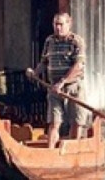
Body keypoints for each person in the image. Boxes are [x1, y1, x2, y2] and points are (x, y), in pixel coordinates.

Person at [27, 12, 89, 148]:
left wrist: (63, 82)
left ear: (69, 23)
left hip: (73, 88)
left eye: (61, 24)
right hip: (54, 88)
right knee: (54, 122)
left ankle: (74, 151)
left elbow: (78, 66)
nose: (58, 28)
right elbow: (44, 62)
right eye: (55, 24)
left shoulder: (76, 41)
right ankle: (51, 152)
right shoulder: (50, 41)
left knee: (76, 122)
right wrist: (35, 72)